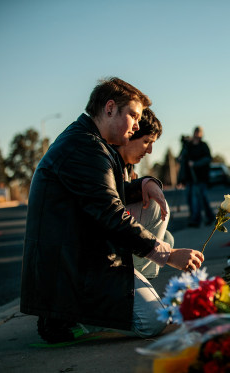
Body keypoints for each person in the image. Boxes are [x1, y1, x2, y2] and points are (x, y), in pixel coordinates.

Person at [21, 77, 204, 343]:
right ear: (109, 108)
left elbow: (99, 193)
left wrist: (143, 184)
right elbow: (109, 212)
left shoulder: (91, 142)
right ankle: (67, 319)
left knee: (152, 207)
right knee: (153, 321)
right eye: (133, 115)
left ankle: (125, 288)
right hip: (71, 271)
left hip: (84, 253)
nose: (138, 125)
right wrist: (169, 255)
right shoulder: (83, 148)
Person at [115, 107, 174, 281]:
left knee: (168, 239)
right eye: (147, 141)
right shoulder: (106, 161)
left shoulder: (126, 166)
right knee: (156, 208)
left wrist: (144, 182)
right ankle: (134, 280)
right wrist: (143, 184)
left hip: (118, 241)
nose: (149, 151)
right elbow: (108, 196)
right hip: (101, 253)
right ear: (130, 134)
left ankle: (141, 278)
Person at [178, 126, 216, 227]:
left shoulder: (203, 146)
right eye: (196, 132)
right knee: (192, 198)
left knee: (198, 198)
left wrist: (195, 163)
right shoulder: (188, 146)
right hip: (189, 177)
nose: (197, 134)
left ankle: (197, 219)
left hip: (201, 177)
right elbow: (181, 158)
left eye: (199, 132)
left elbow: (208, 159)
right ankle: (208, 217)